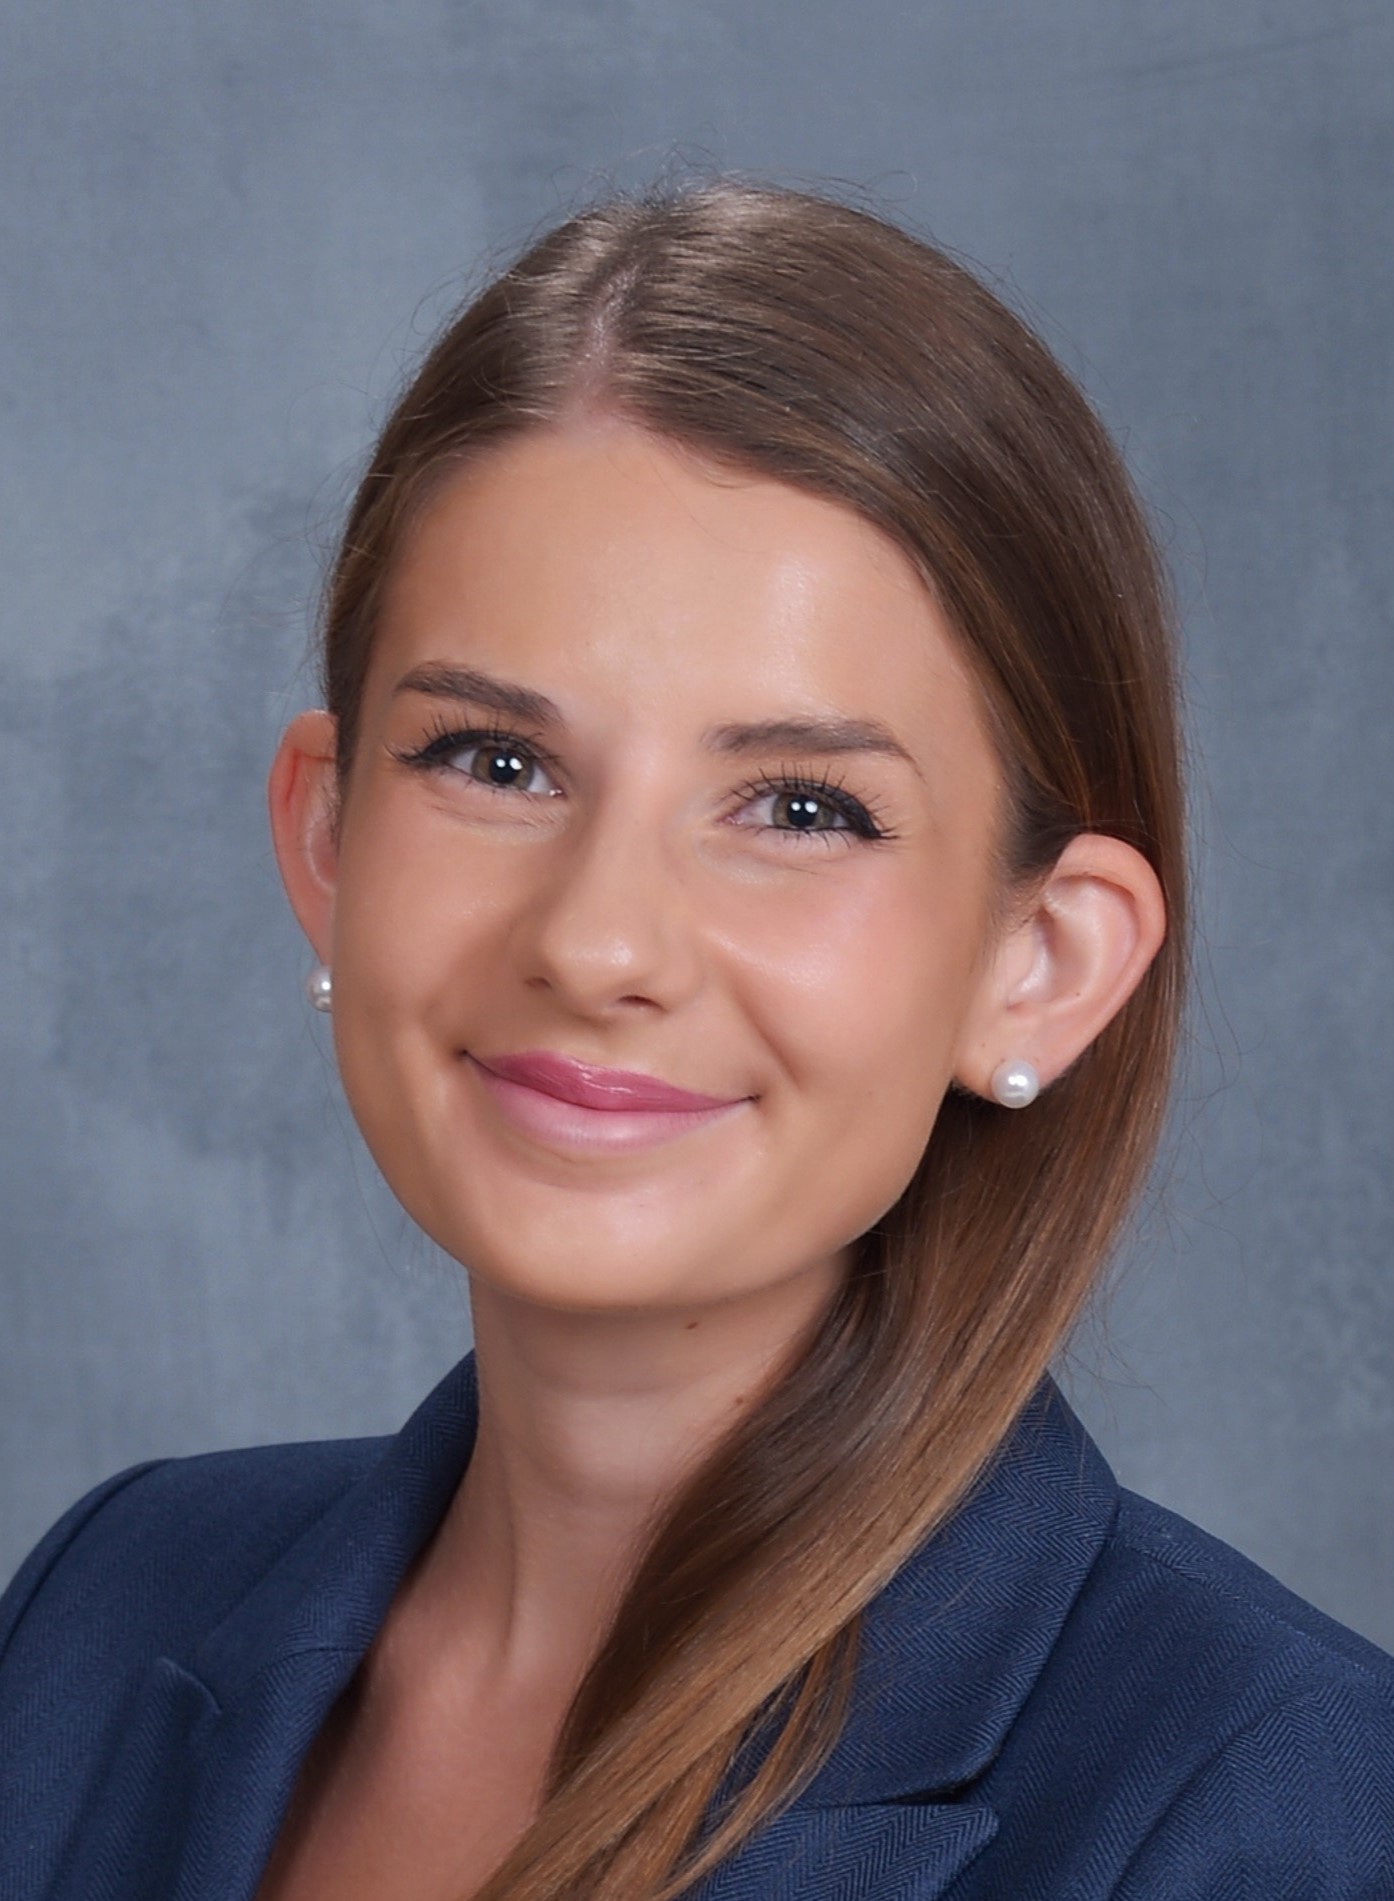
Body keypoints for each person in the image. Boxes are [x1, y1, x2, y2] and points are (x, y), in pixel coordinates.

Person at [1, 178, 1390, 1901]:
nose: (597, 942)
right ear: (330, 838)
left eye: (798, 805)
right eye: (494, 763)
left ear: (1037, 960)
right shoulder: (92, 1609)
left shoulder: (1281, 1818)